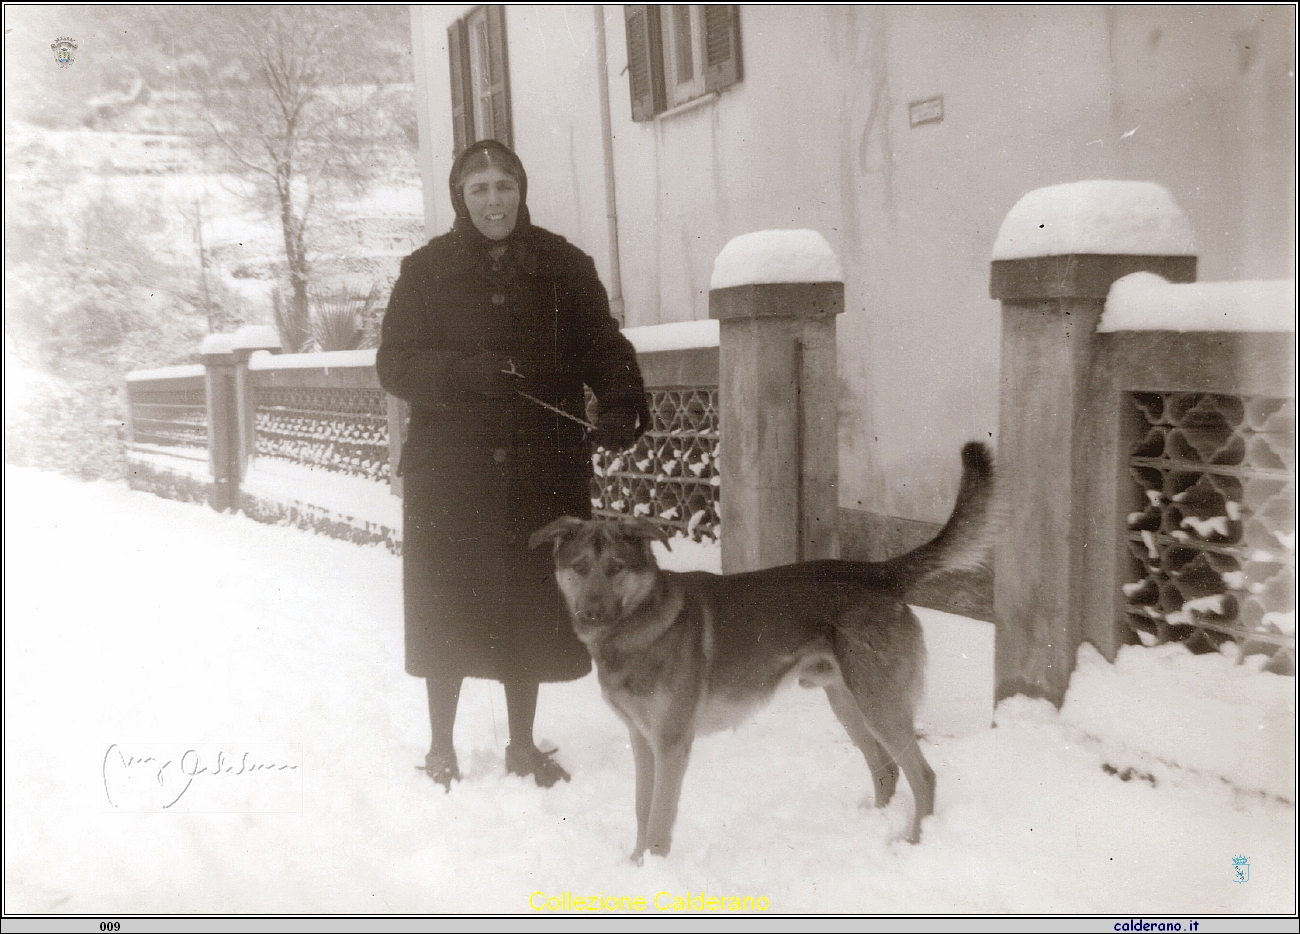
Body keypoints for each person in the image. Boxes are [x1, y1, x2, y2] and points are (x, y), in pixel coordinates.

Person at [377, 139, 650, 790]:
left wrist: (621, 402)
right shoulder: (424, 271)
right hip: (451, 473)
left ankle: (523, 746)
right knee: (447, 605)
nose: (493, 200)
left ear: (521, 191)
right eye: (479, 189)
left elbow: (604, 349)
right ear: (459, 198)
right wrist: (457, 372)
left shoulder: (564, 265)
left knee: (527, 605)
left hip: (542, 467)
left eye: (504, 186)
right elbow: (394, 363)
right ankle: (441, 746)